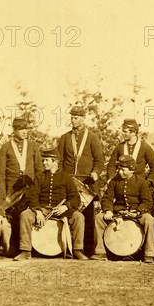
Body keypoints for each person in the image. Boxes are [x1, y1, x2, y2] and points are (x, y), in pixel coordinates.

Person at [14, 148, 88, 261]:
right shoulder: (40, 177)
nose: (44, 163)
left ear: (55, 162)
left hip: (62, 210)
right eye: (43, 160)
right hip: (42, 209)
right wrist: (38, 211)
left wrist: (66, 206)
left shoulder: (66, 178)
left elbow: (75, 198)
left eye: (47, 160)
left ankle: (77, 250)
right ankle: (25, 250)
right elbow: (32, 196)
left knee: (79, 217)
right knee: (25, 215)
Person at [57, 105, 104, 255]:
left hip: (87, 184)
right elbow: (60, 160)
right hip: (70, 182)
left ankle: (88, 249)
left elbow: (99, 160)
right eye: (71, 117)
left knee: (88, 216)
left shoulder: (92, 137)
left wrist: (96, 173)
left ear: (83, 118)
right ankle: (68, 247)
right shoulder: (64, 138)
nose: (73, 120)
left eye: (76, 117)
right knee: (70, 213)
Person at [92, 155, 154, 262]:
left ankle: (149, 254)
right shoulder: (114, 181)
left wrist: (138, 212)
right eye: (119, 169)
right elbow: (107, 198)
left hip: (136, 212)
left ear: (131, 170)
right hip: (118, 212)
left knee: (149, 220)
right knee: (99, 217)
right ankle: (100, 252)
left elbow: (147, 202)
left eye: (123, 170)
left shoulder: (141, 182)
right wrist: (108, 210)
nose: (119, 172)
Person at [0, 117, 43, 252]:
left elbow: (39, 169)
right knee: (14, 216)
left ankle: (31, 246)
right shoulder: (5, 147)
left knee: (28, 215)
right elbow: (1, 173)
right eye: (21, 129)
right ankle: (14, 247)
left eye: (26, 129)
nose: (25, 132)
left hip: (30, 187)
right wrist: (4, 193)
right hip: (12, 189)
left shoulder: (33, 146)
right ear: (14, 130)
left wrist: (38, 188)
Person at [106, 119, 154, 186]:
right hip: (121, 185)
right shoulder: (119, 147)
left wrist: (148, 182)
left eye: (125, 132)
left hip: (139, 185)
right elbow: (111, 165)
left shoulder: (145, 147)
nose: (122, 133)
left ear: (134, 132)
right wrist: (111, 178)